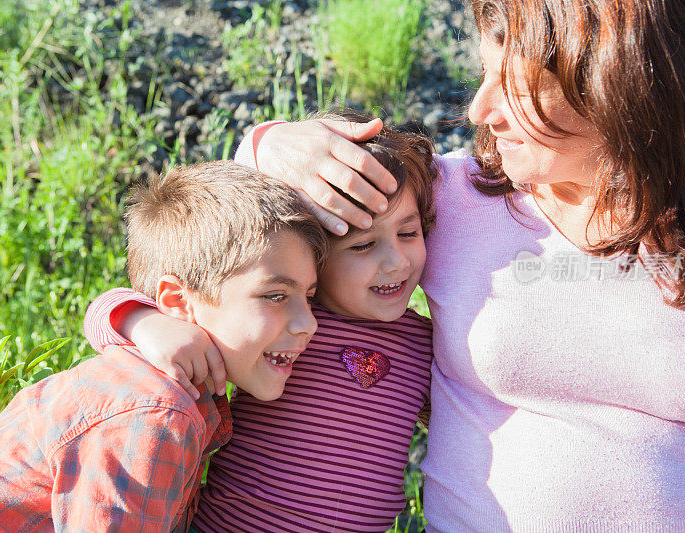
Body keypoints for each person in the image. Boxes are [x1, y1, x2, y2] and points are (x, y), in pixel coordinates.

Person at [229, 0, 685, 531]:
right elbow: (230, 232)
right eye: (483, 74)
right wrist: (269, 145)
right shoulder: (443, 201)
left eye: (514, 87)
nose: (479, 110)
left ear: (617, 88)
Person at [82, 113, 438, 531]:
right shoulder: (284, 320)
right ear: (313, 255)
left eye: (409, 234)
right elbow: (103, 312)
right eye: (362, 245)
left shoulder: (426, 344)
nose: (395, 262)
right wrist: (146, 323)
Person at [0, 161, 327, 532]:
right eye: (275, 295)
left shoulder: (167, 390)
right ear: (177, 302)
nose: (308, 323)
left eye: (309, 297)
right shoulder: (157, 412)